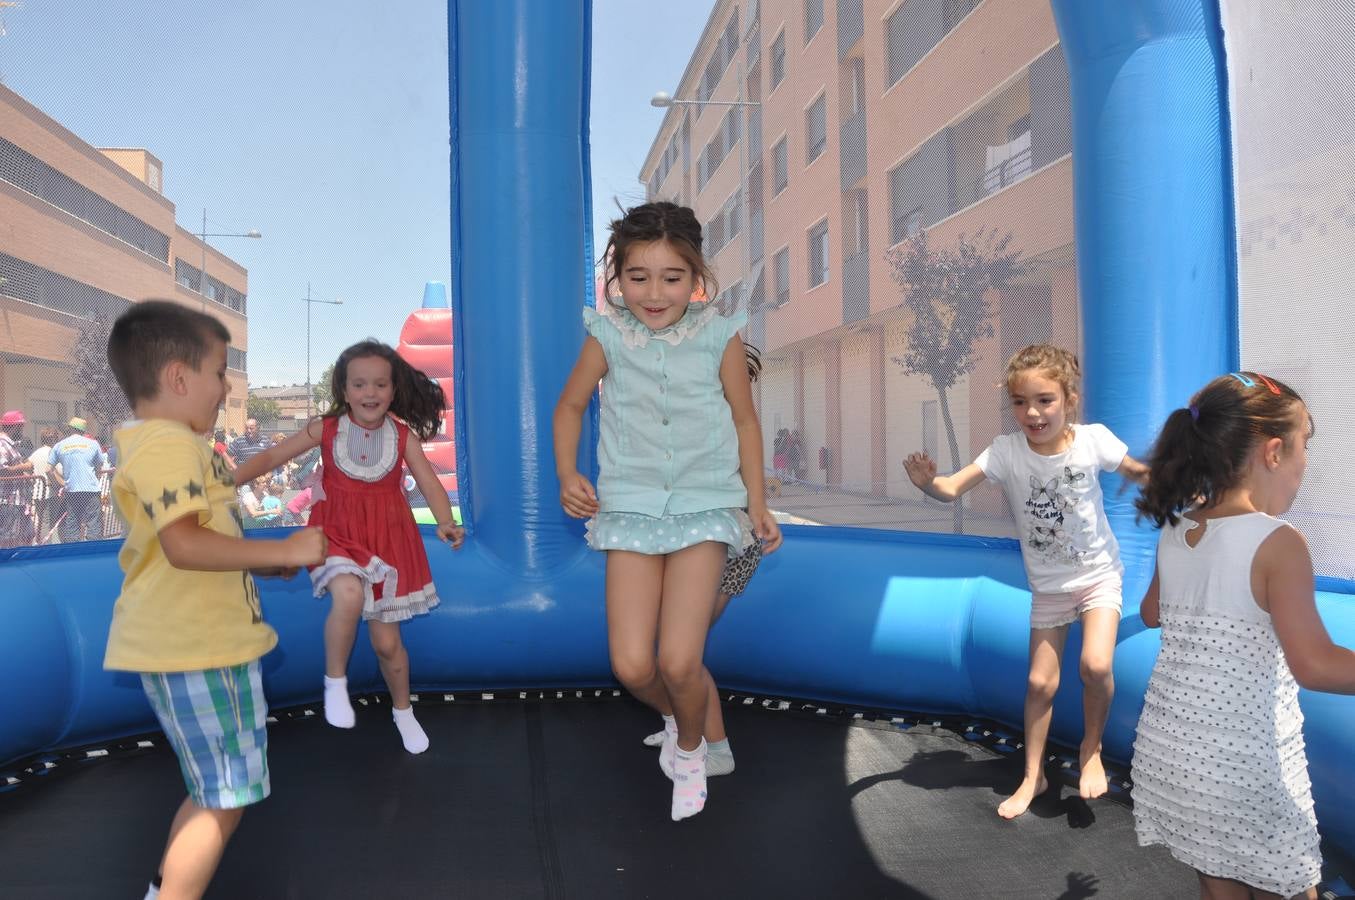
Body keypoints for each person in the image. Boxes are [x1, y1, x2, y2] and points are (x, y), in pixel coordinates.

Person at [553, 201, 782, 820]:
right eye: (638, 277)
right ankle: (689, 724)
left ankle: (690, 751)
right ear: (616, 280)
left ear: (696, 278)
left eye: (671, 278)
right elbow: (569, 407)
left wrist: (755, 505)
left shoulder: (718, 335)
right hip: (630, 507)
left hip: (706, 506)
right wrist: (568, 471)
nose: (654, 293)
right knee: (632, 664)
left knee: (681, 657)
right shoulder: (608, 336)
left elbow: (744, 420)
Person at [103, 300, 326, 900]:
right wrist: (284, 553)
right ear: (179, 378)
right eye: (219, 373)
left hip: (198, 645)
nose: (225, 388)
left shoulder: (174, 447)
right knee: (225, 798)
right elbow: (183, 545)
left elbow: (209, 539)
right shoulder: (168, 445)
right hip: (199, 651)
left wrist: (263, 568)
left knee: (216, 793)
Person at [1131, 372, 1355, 900]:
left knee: (1219, 882)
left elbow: (1150, 613)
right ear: (1274, 452)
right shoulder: (1277, 541)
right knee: (1293, 886)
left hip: (1173, 754)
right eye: (1305, 448)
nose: (1305, 468)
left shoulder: (1176, 528)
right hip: (1243, 766)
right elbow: (1315, 665)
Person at [904, 344, 1148, 818]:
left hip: (1098, 577)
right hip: (1049, 589)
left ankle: (1091, 750)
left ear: (1069, 399)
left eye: (1044, 400)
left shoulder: (1093, 440)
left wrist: (1175, 483)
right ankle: (1033, 775)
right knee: (1039, 682)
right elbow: (953, 487)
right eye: (1020, 402)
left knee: (1095, 666)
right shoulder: (1006, 451)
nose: (1032, 412)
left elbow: (1138, 472)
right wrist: (928, 483)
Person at [233, 340, 465, 754]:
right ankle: (335, 683)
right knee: (349, 593)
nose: (370, 393)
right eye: (359, 384)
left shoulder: (400, 435)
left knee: (387, 645)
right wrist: (225, 482)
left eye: (380, 384)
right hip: (336, 535)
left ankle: (402, 711)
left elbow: (429, 481)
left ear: (393, 391)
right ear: (344, 390)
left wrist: (446, 522)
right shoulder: (326, 429)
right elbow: (271, 457)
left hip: (387, 542)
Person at [639, 344, 768, 777]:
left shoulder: (731, 424)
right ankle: (678, 724)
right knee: (669, 648)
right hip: (691, 540)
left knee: (685, 655)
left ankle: (718, 749)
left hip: (728, 546)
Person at [50, 416, 109, 542]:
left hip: (72, 490)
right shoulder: (93, 444)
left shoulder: (60, 445)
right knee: (93, 523)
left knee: (73, 522)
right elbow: (100, 464)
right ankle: (93, 552)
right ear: (84, 430)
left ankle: (73, 553)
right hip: (91, 490)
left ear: (70, 429)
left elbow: (48, 468)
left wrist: (62, 483)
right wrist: (96, 479)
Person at [0, 410, 34, 546]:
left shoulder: (11, 444)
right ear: (14, 427)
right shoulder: (2, 444)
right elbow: (2, 470)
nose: (22, 430)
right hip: (8, 500)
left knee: (27, 533)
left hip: (18, 499)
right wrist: (24, 467)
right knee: (7, 536)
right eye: (21, 427)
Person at [27, 427, 61, 543]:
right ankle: (47, 545)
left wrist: (33, 481)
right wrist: (59, 484)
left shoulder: (36, 453)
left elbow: (28, 468)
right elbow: (58, 470)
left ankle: (43, 542)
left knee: (42, 520)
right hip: (50, 492)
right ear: (54, 439)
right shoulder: (53, 452)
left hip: (38, 492)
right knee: (48, 522)